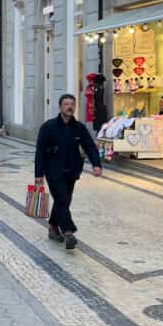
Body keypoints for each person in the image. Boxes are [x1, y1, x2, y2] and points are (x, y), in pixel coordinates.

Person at [35, 94, 103, 250]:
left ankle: (53, 226)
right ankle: (68, 232)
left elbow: (90, 146)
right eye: (66, 104)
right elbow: (39, 152)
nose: (69, 107)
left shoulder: (79, 127)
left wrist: (96, 164)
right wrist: (38, 174)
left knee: (63, 201)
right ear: (60, 107)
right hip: (53, 171)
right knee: (62, 200)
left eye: (72, 104)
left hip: (72, 171)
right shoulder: (48, 127)